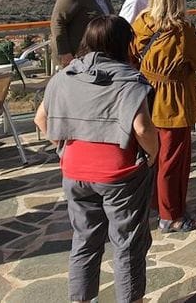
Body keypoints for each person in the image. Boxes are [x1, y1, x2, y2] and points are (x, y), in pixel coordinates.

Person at [35, 15, 158, 303]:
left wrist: (63, 147)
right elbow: (142, 128)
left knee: (84, 240)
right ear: (124, 44)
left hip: (75, 170)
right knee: (127, 243)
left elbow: (41, 118)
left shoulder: (64, 77)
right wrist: (152, 154)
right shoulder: (129, 80)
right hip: (119, 172)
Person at [131, 0, 196, 233]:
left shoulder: (141, 24)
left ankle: (158, 204)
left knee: (153, 157)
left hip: (145, 97)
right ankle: (173, 215)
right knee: (174, 160)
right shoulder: (182, 32)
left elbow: (131, 55)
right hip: (173, 102)